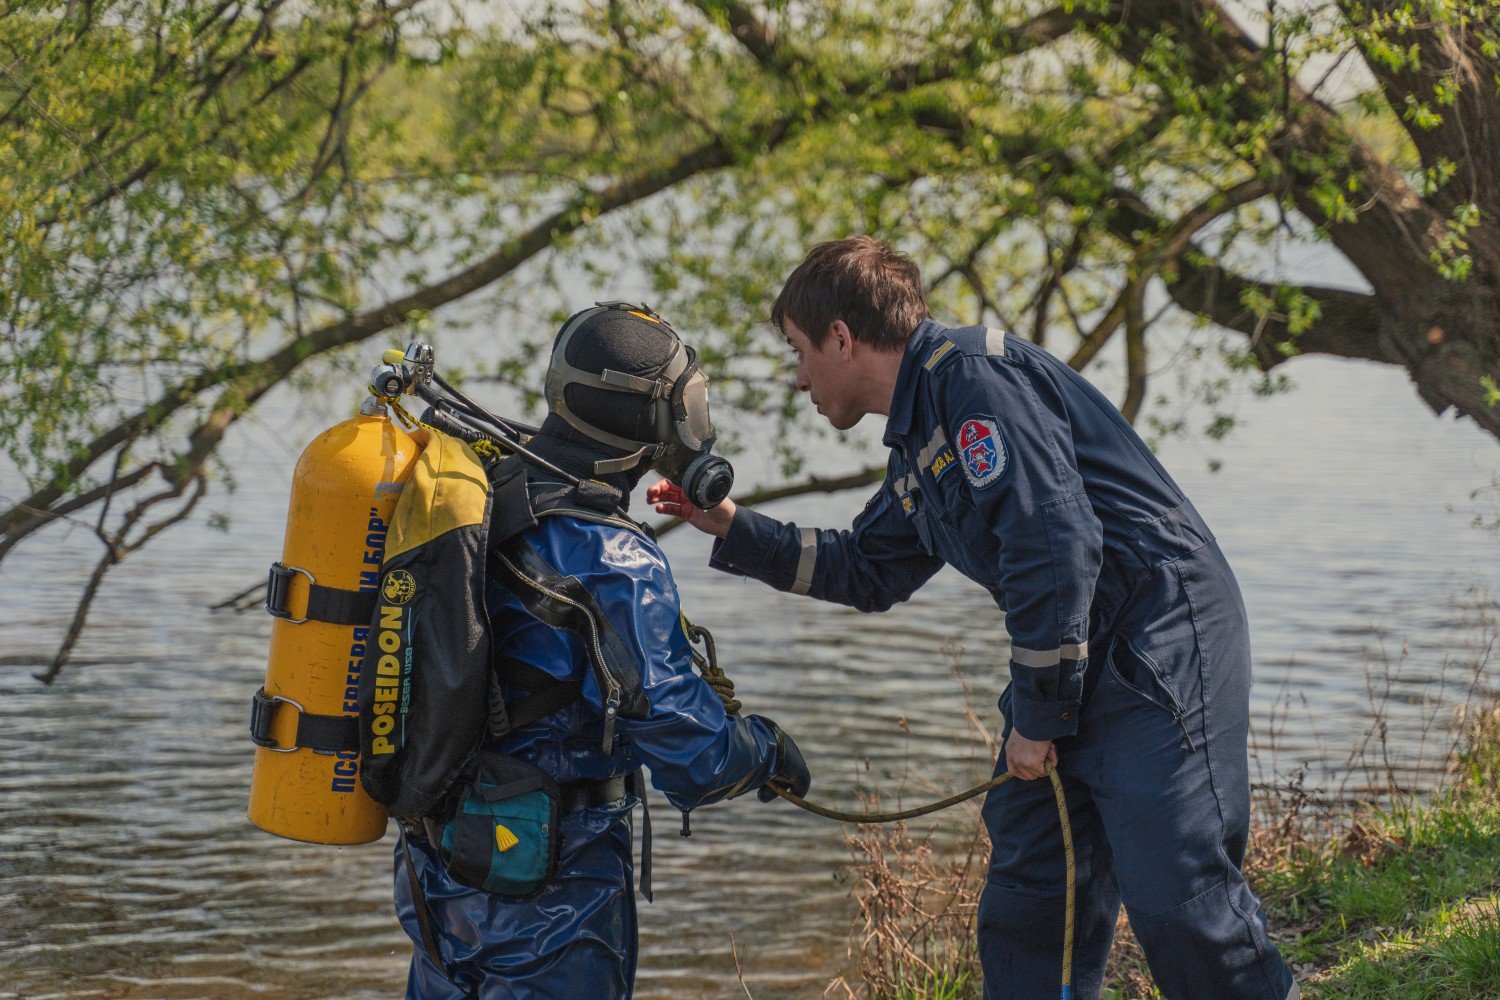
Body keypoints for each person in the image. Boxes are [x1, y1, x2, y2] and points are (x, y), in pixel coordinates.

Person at [649, 237, 1298, 1000]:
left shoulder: (974, 381)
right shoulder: (924, 434)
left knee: (1177, 890)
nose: (798, 378)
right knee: (1030, 889)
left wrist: (1039, 720)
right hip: (1079, 650)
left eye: (798, 351)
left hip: (1159, 635)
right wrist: (728, 523)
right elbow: (865, 567)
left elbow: (1053, 545)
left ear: (841, 337)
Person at [396, 302, 810, 999]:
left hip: (439, 876)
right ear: (655, 420)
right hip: (553, 900)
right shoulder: (613, 557)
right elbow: (696, 758)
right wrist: (766, 752)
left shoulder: (482, 487)